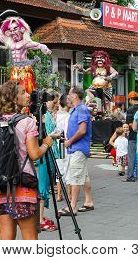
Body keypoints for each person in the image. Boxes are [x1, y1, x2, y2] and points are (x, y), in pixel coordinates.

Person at [0, 81, 53, 240]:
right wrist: (46, 143)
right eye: (23, 92)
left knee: (6, 237)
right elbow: (34, 154)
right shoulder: (27, 121)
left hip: (0, 185)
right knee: (30, 238)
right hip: (23, 184)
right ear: (14, 98)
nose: (28, 95)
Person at [60, 86, 94, 215]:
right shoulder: (77, 109)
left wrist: (70, 141)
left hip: (78, 148)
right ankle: (88, 201)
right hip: (78, 148)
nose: (68, 96)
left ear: (75, 95)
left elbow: (82, 130)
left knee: (75, 177)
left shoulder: (81, 109)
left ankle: (72, 206)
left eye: (69, 94)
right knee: (83, 175)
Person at [37, 89, 60, 232]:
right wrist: (53, 135)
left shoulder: (49, 116)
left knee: (46, 185)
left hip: (51, 153)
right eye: (54, 102)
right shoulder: (42, 116)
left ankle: (41, 216)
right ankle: (39, 219)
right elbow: (41, 137)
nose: (57, 105)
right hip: (44, 153)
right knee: (43, 187)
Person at [123, 91, 138, 182]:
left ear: (130, 99)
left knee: (132, 157)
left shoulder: (130, 109)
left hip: (133, 136)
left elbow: (129, 123)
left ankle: (130, 176)